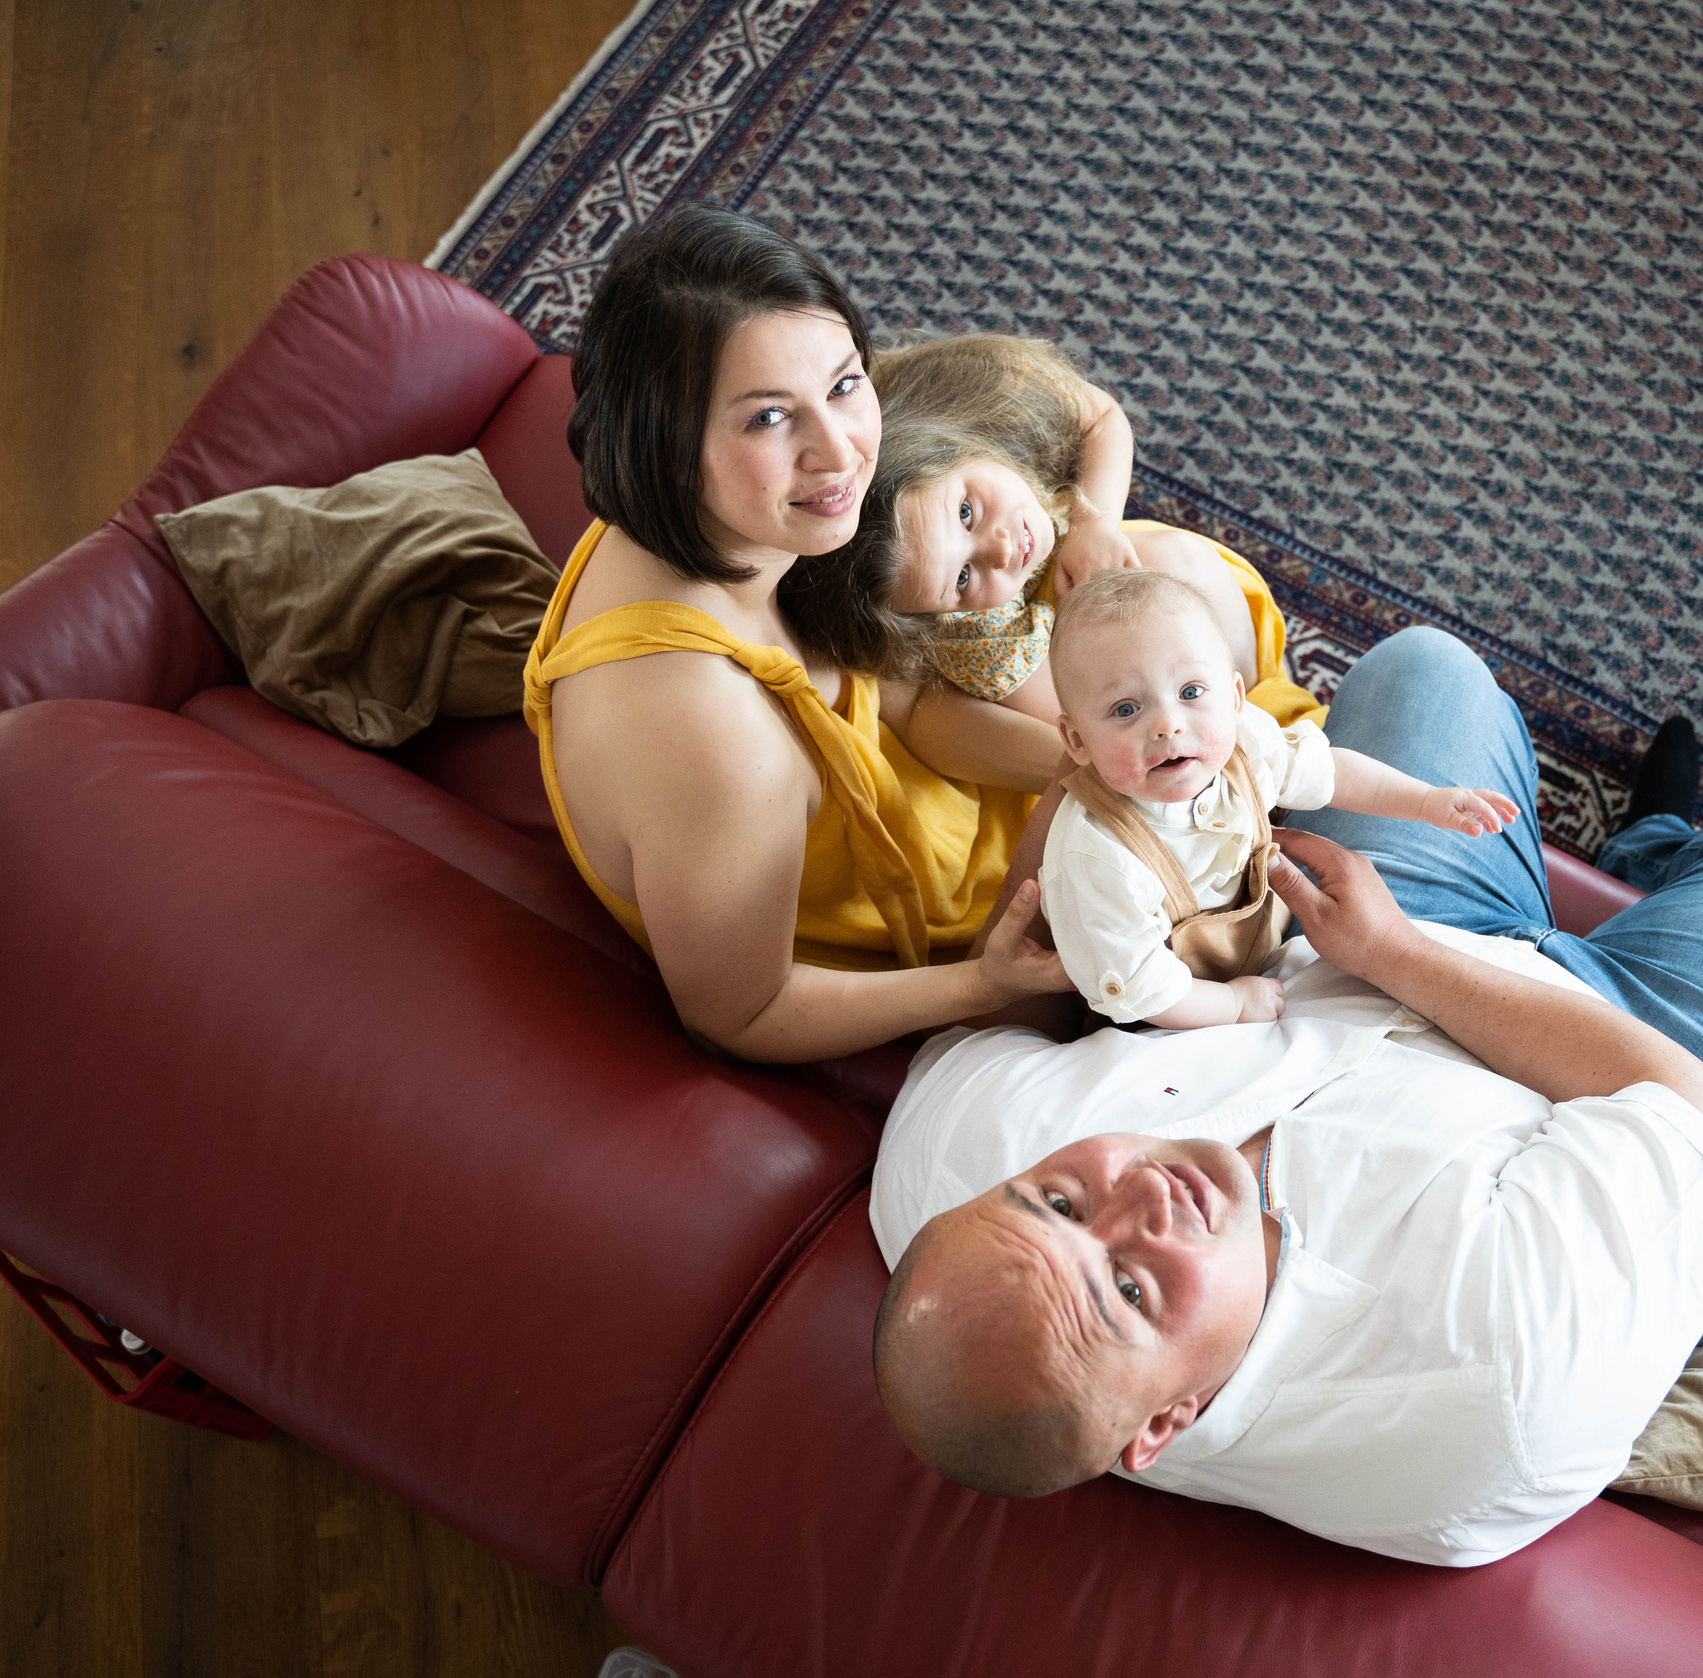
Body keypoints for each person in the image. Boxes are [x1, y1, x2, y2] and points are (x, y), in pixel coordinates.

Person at [869, 627, 1703, 1566]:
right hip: (1628, 1052)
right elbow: (1685, 1103)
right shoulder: (1488, 1388)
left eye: (1061, 1199)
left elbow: (1013, 974)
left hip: (1341, 948)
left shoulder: (954, 1172)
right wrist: (1395, 955)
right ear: (1164, 1427)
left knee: (1426, 666)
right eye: (1134, 1290)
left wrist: (1096, 803)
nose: (1142, 1196)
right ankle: (1653, 851)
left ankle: (1613, 859)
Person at [521, 207, 1073, 1063]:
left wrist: (1080, 764)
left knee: (1153, 594)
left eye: (845, 384)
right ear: (668, 450)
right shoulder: (714, 739)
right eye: (769, 418)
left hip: (938, 780)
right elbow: (745, 1012)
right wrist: (984, 984)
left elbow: (899, 699)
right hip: (964, 938)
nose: (840, 454)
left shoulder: (727, 524)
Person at [784, 332, 1323, 796]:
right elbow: (934, 721)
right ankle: (1186, 775)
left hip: (1078, 539)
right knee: (1097, 687)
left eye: (967, 512)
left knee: (1175, 564)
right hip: (1015, 643)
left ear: (954, 448)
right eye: (964, 577)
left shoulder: (983, 392)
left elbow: (1100, 415)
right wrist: (1099, 770)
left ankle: (1256, 716)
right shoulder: (973, 633)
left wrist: (1094, 522)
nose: (1000, 550)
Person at [1040, 571, 1518, 1030]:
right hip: (1170, 1016)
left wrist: (1426, 801)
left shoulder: (1246, 745)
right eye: (1126, 709)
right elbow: (1144, 988)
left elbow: (1329, 772)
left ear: (1235, 698)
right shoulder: (1098, 856)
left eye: (1191, 691)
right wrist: (1234, 1005)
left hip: (1273, 941)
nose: (1168, 724)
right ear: (1076, 740)